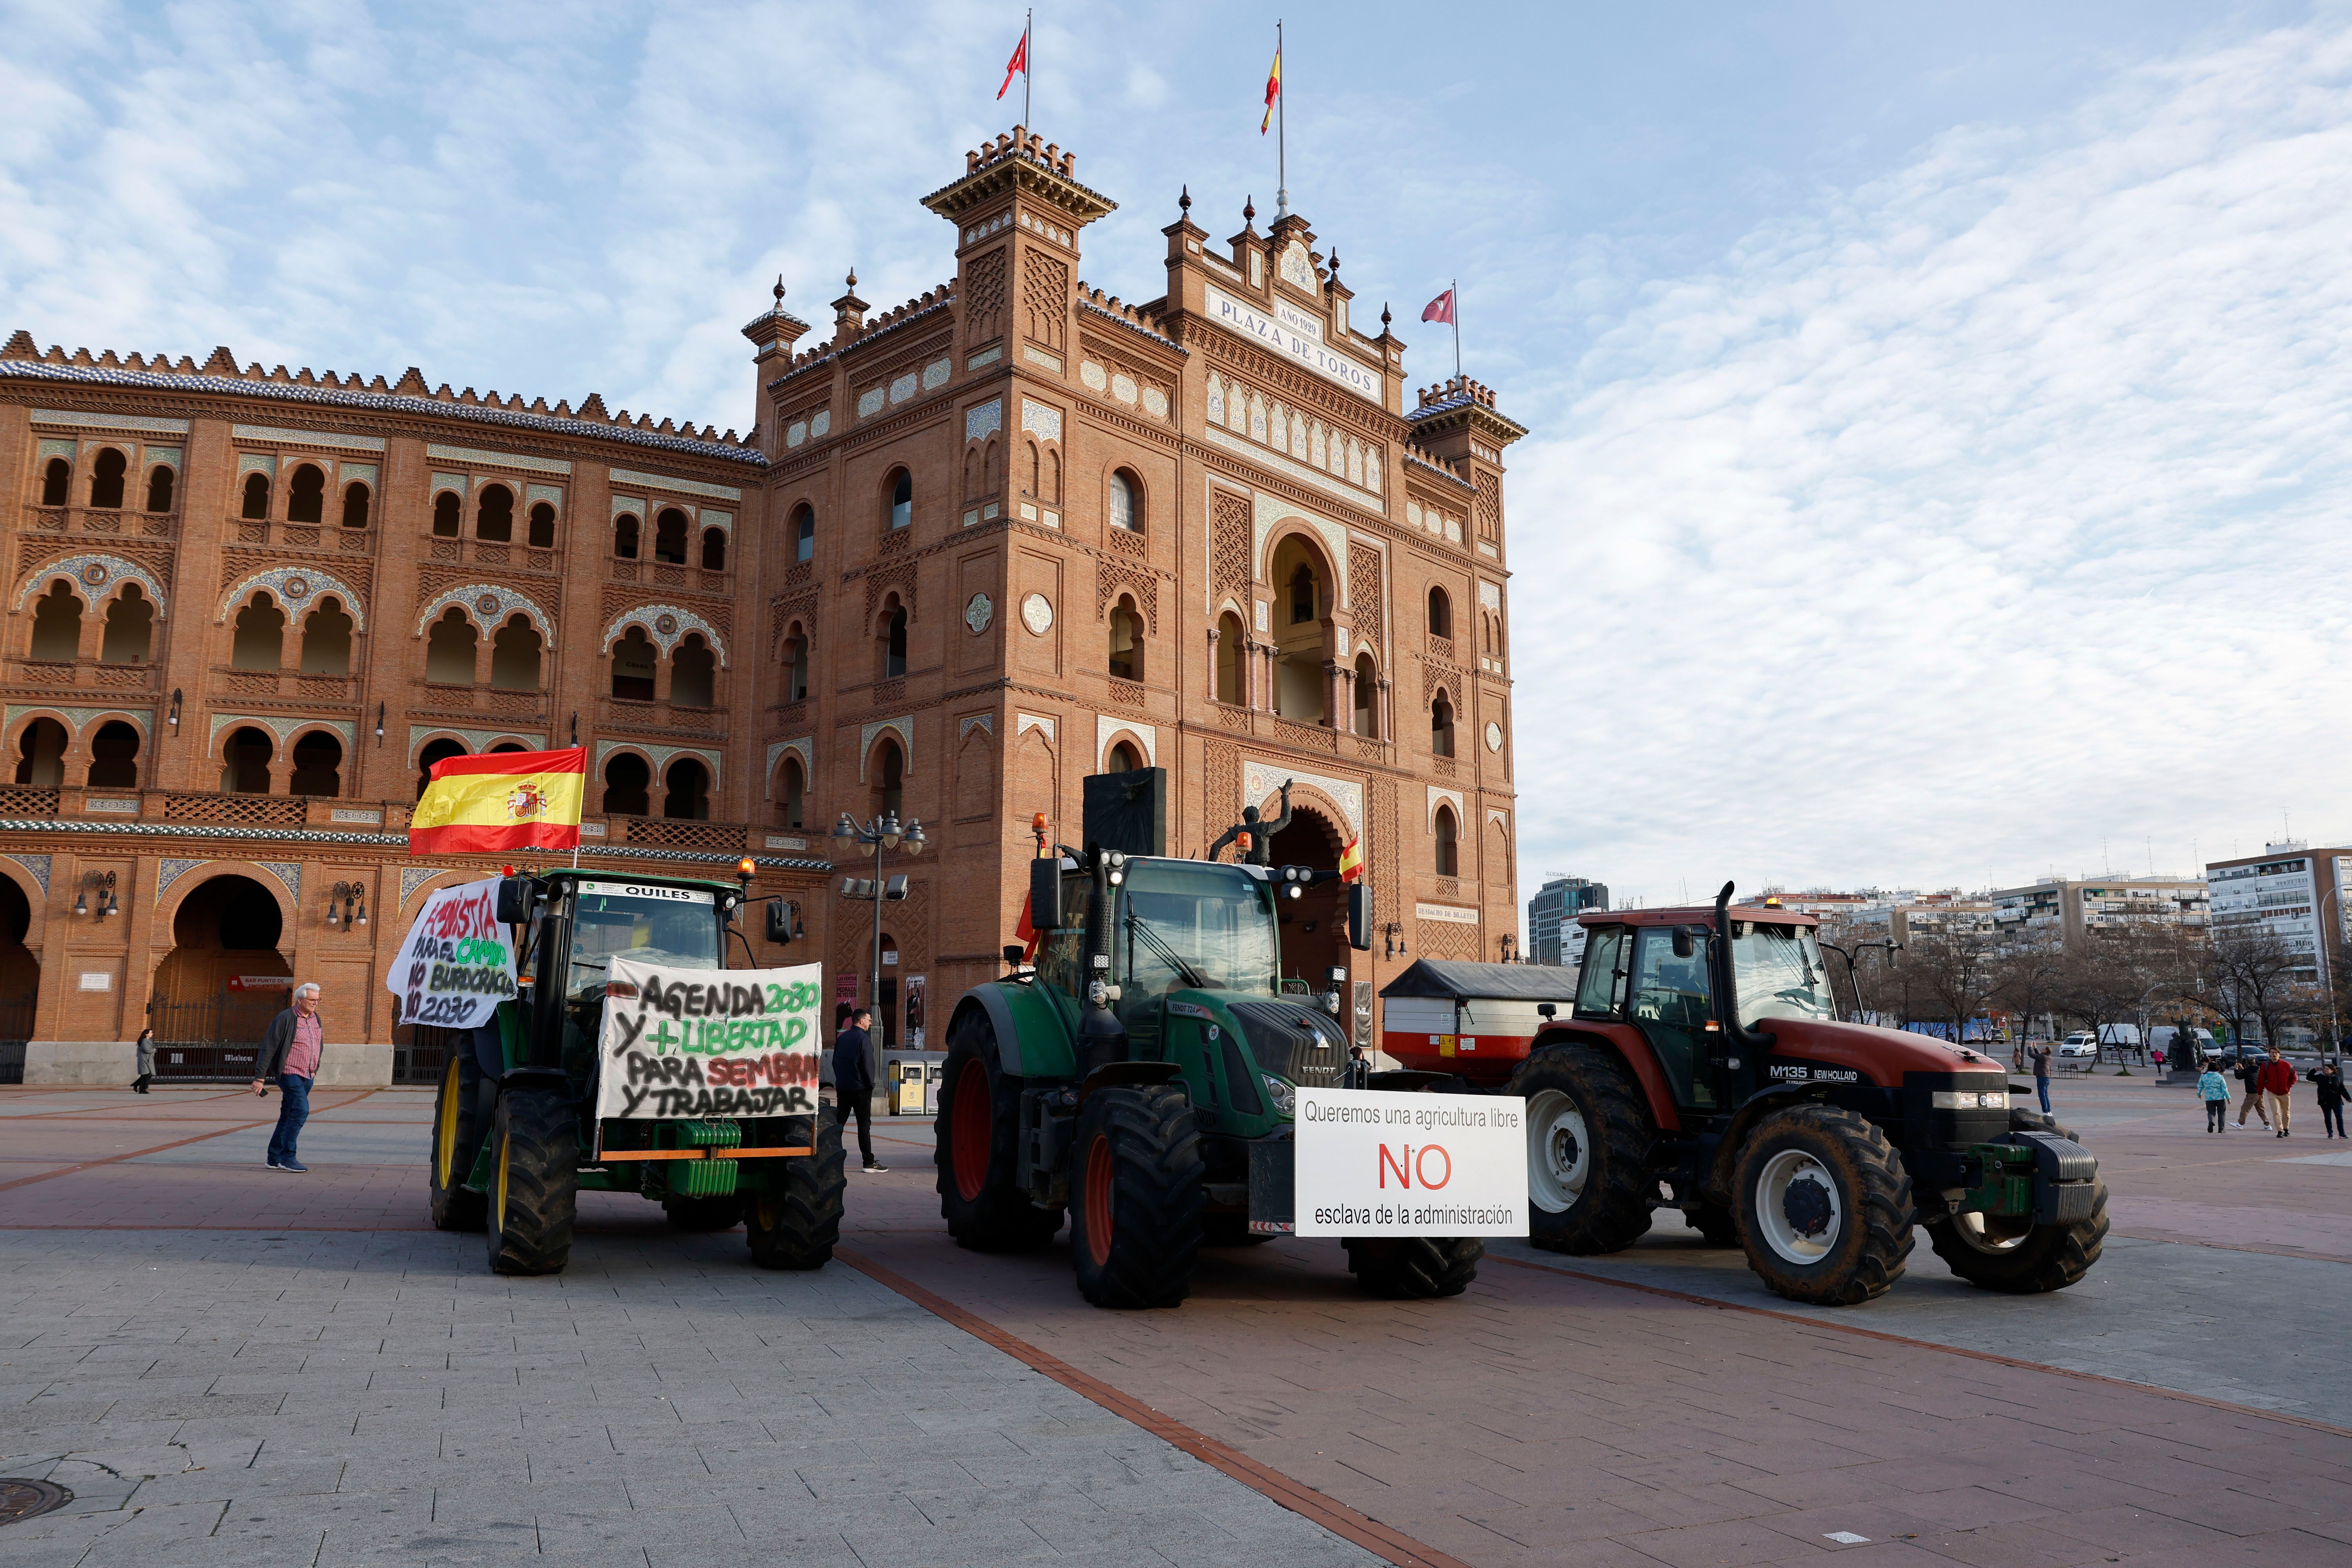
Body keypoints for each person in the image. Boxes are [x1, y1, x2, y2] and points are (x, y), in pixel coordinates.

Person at [252, 982, 323, 1172]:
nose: (315, 1003)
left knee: (288, 1115)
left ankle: (273, 1159)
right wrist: (260, 1078)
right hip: (289, 1072)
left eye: (318, 1000)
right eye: (312, 1000)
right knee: (301, 1111)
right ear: (300, 1000)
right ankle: (288, 1157)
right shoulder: (285, 1018)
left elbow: (318, 1044)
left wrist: (315, 1067)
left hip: (308, 1074)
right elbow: (269, 1047)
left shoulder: (315, 1018)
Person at [833, 1006, 884, 1173]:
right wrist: (870, 1084)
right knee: (863, 1126)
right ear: (861, 1021)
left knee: (839, 1123)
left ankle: (831, 1156)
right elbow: (868, 1065)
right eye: (869, 1020)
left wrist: (841, 1080)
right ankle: (868, 1162)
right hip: (861, 1088)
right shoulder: (864, 1039)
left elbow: (835, 1062)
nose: (870, 1023)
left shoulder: (842, 1038)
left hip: (843, 1087)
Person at [2258, 1045, 2298, 1138]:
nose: (2274, 1055)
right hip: (2272, 1092)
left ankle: (2286, 1129)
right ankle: (2280, 1130)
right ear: (2269, 1055)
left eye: (2276, 1053)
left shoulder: (2287, 1065)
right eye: (2272, 1053)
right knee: (2276, 1112)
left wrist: (2288, 1086)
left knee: (2286, 1113)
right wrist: (2260, 1092)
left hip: (2285, 1093)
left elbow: (2294, 1078)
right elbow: (2261, 1079)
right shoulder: (2266, 1066)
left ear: (2279, 1055)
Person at [2309, 1059, 2347, 1139]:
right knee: (2328, 1117)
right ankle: (2330, 1133)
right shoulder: (2320, 1077)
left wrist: (2348, 1098)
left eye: (2327, 1069)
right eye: (2325, 1069)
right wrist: (2314, 1070)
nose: (2325, 1070)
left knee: (2339, 1117)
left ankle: (2342, 1134)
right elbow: (2309, 1078)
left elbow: (2342, 1089)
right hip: (2325, 1101)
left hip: (2337, 1101)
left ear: (2332, 1071)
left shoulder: (2337, 1078)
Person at [2236, 1050, 2271, 1130]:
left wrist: (2236, 1069)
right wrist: (2242, 1068)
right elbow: (2249, 1073)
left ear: (2247, 1063)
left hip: (2252, 1093)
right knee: (2261, 1110)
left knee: (2245, 1108)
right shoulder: (2259, 1069)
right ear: (2255, 1063)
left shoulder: (2247, 1070)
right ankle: (2267, 1125)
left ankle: (2240, 1124)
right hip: (2260, 1093)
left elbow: (2239, 1077)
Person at [2198, 1060, 2231, 1133]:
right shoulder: (2220, 1077)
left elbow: (2200, 1086)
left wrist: (2199, 1094)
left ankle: (2212, 1121)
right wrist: (2228, 1098)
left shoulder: (2203, 1076)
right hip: (2220, 1097)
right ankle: (2221, 1129)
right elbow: (2224, 1088)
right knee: (2222, 1113)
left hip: (2209, 1097)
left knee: (2211, 1112)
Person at [2026, 1039, 2053, 1114]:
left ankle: (2045, 1112)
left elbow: (2031, 1055)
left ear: (2046, 1051)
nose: (2042, 1049)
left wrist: (2030, 1047)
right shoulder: (2048, 1057)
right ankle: (2049, 1111)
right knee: (2046, 1095)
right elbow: (2039, 1056)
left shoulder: (2043, 1057)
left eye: (2044, 1049)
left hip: (2042, 1078)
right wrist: (2035, 1048)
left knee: (2042, 1095)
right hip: (2046, 1078)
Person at [132, 1027, 156, 1094]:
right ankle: (142, 1089)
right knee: (146, 1075)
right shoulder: (145, 1041)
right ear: (146, 1034)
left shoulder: (148, 1041)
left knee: (147, 1075)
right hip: (144, 1060)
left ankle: (136, 1085)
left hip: (147, 1059)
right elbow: (147, 1050)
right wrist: (154, 1050)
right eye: (151, 1033)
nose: (152, 1034)